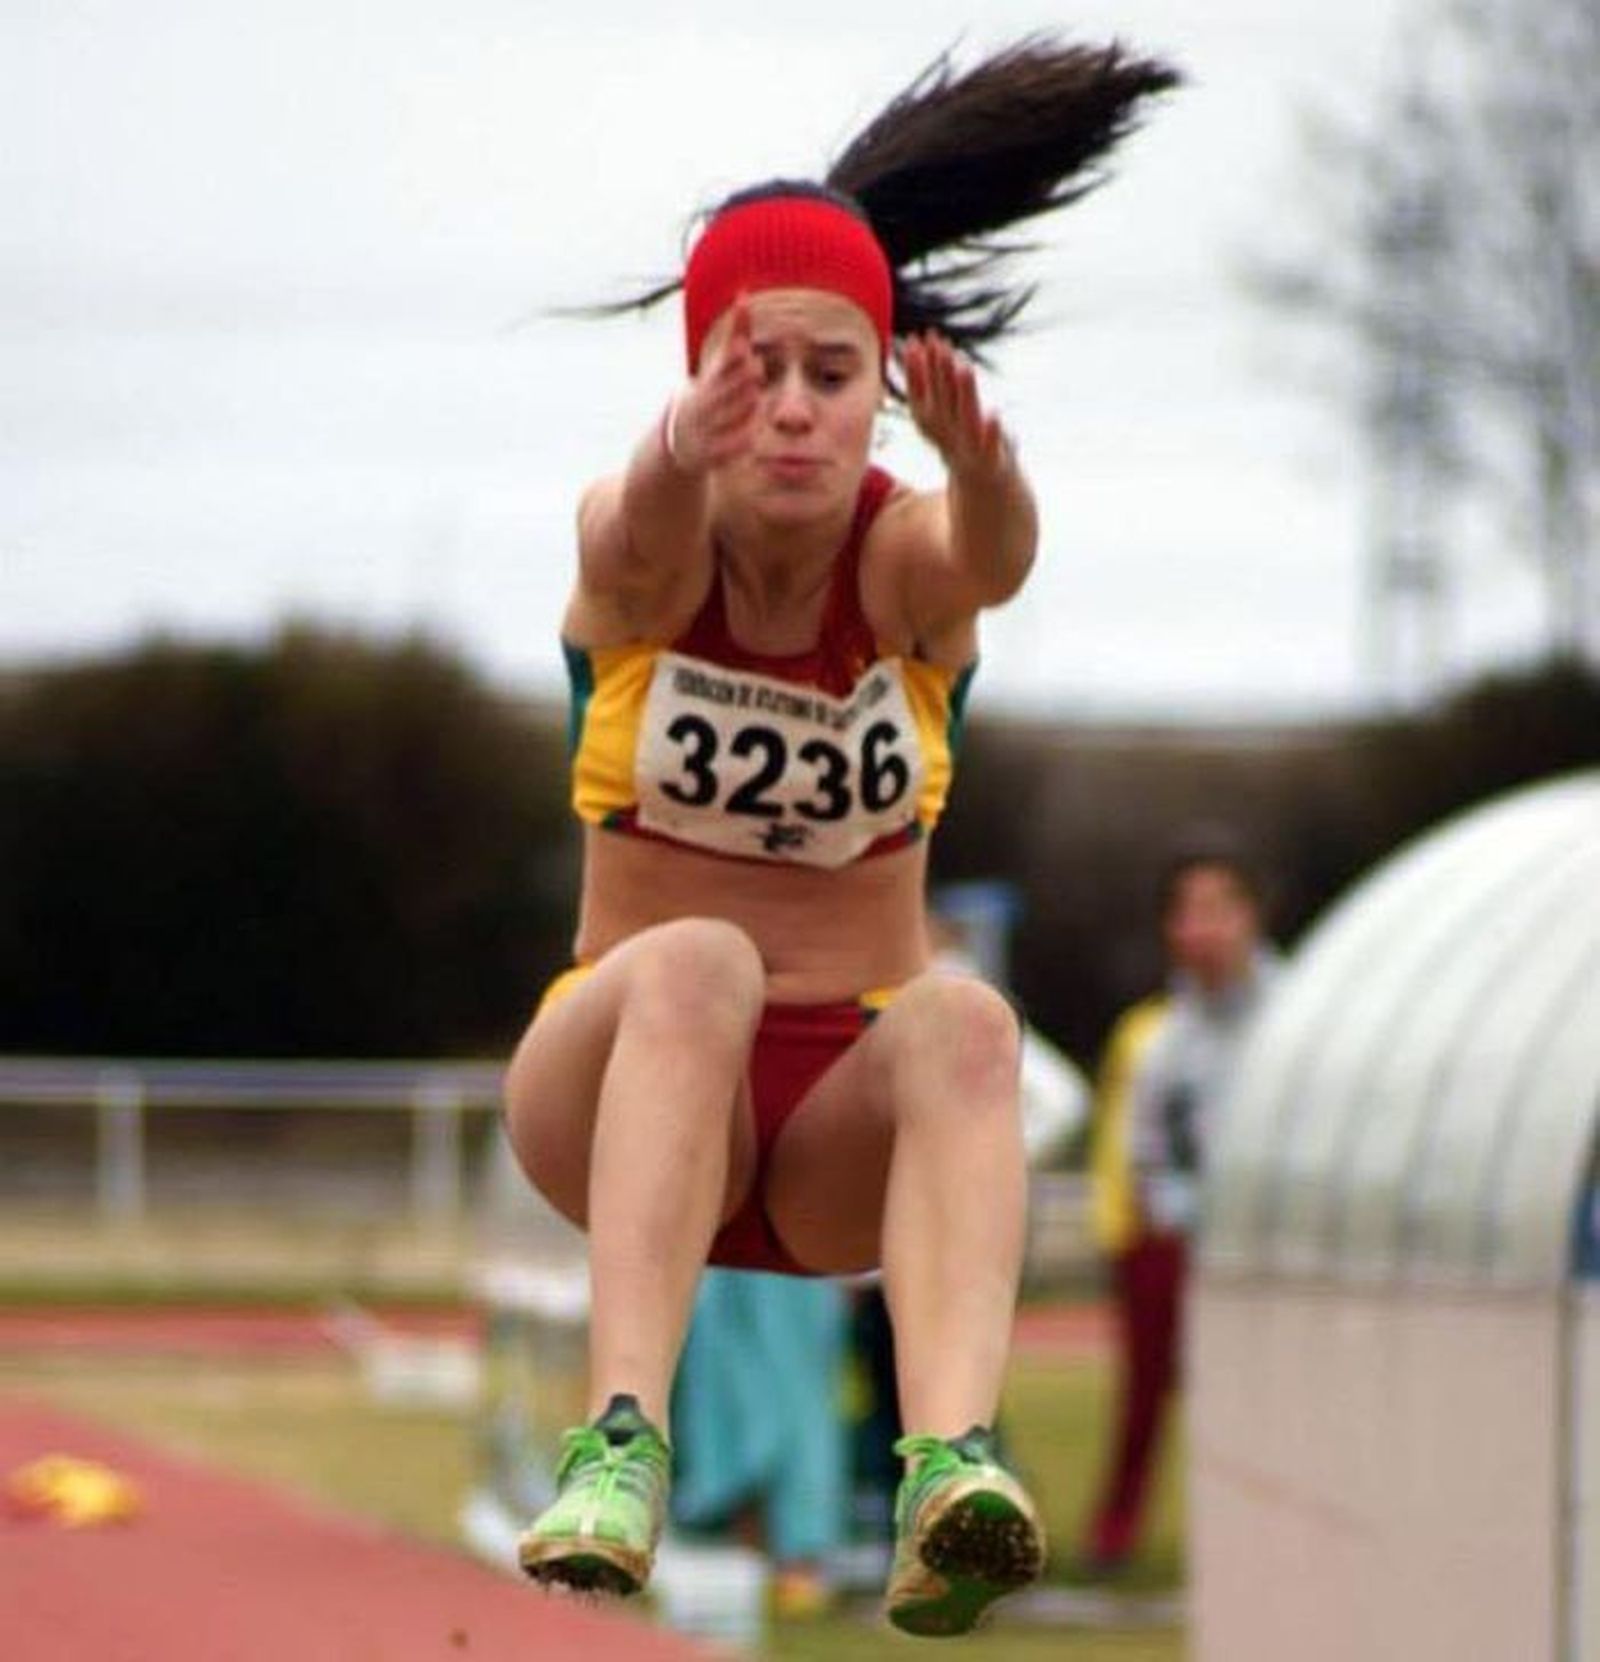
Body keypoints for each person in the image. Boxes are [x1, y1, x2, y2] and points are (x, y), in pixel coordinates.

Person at [501, 36, 1179, 1638]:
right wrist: (684, 439)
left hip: (829, 1153)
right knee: (700, 959)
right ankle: (618, 1446)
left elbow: (988, 560)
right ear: (697, 381)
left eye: (831, 374)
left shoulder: (901, 567)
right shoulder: (646, 557)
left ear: (881, 381)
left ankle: (947, 1469)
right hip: (615, 1086)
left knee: (967, 1015)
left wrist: (988, 475)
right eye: (755, 372)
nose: (794, 413)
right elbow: (631, 521)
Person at [1081, 826, 1281, 1574]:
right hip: (1177, 1237)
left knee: (1259, 1395)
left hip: (1266, 1238)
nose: (1203, 929)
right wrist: (1166, 1214)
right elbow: (1144, 1147)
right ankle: (1117, 1531)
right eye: (1187, 912)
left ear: (1254, 917)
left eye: (1220, 909)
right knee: (1146, 1390)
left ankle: (1259, 1527)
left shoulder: (1294, 1016)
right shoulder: (1160, 1038)